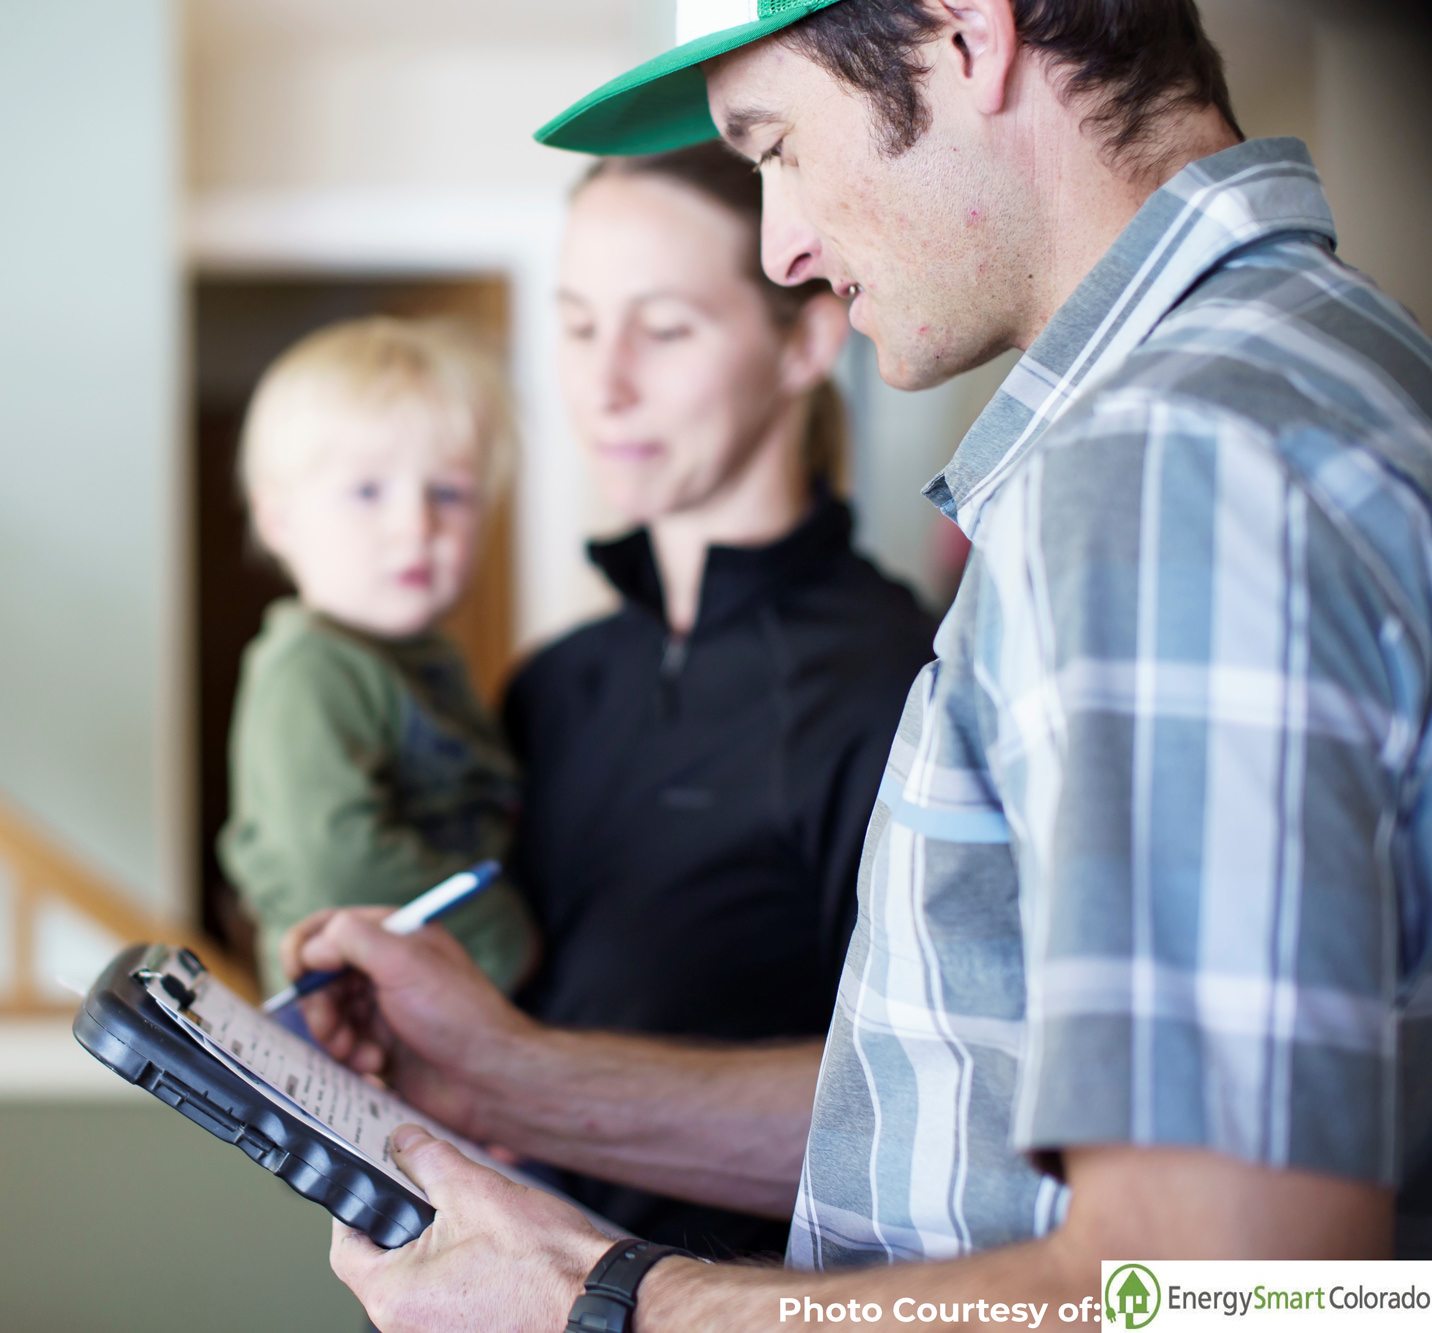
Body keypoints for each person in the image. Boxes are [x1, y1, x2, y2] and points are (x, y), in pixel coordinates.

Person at [281, 1, 1432, 1328]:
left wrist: (602, 1301)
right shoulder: (1325, 367)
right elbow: (972, 1119)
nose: (784, 247)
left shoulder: (1162, 471)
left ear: (965, 35)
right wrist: (511, 1082)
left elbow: (1225, 1291)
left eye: (775, 147)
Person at [503, 141, 934, 1258]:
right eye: (577, 322)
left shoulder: (896, 688)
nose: (602, 386)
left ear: (803, 341)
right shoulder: (552, 684)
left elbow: (937, 1112)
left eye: (664, 328)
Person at [216, 317, 537, 995]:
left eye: (447, 494)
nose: (415, 526)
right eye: (367, 492)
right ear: (280, 521)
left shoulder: (425, 660)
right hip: (358, 1023)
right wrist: (501, 932)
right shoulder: (312, 669)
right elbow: (332, 860)